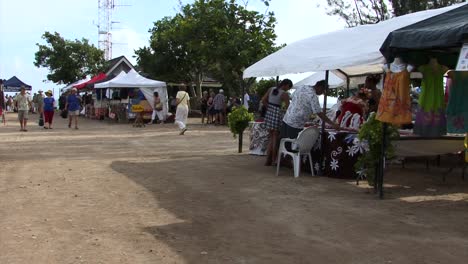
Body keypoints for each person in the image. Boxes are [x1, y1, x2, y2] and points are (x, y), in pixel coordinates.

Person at [281, 80, 340, 144]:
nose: (322, 93)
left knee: (283, 143)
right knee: (292, 146)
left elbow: (292, 98)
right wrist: (332, 124)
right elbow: (319, 113)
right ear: (320, 87)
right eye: (323, 91)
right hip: (296, 123)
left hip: (287, 119)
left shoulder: (302, 87)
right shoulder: (313, 96)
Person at [261, 79, 292, 166]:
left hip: (269, 114)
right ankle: (274, 159)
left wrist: (270, 108)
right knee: (275, 138)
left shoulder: (271, 89)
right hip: (276, 114)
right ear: (286, 85)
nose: (288, 89)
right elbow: (288, 108)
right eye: (288, 87)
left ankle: (268, 160)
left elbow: (263, 100)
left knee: (271, 138)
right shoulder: (284, 94)